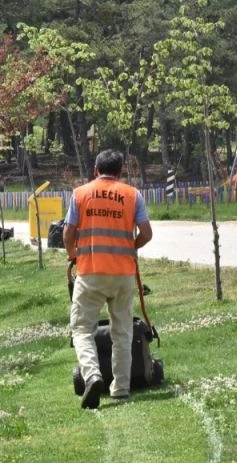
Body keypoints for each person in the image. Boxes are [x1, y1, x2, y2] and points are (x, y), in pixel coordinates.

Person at [63, 149, 153, 409]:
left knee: (82, 328)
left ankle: (92, 375)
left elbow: (69, 232)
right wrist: (130, 247)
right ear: (121, 171)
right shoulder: (132, 195)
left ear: (95, 170)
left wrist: (73, 255)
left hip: (90, 271)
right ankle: (121, 388)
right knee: (122, 331)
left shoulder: (80, 194)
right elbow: (146, 233)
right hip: (123, 273)